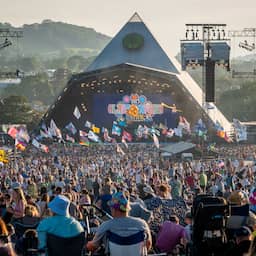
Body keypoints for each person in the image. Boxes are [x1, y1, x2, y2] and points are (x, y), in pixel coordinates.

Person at [86, 192, 152, 254]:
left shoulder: (106, 226)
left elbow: (93, 247)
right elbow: (148, 245)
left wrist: (88, 244)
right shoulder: (142, 224)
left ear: (113, 209)